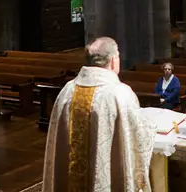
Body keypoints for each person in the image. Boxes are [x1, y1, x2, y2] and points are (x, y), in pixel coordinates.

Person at [42, 37, 156, 192]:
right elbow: (139, 136)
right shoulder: (119, 94)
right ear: (113, 60)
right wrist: (152, 127)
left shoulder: (67, 91)